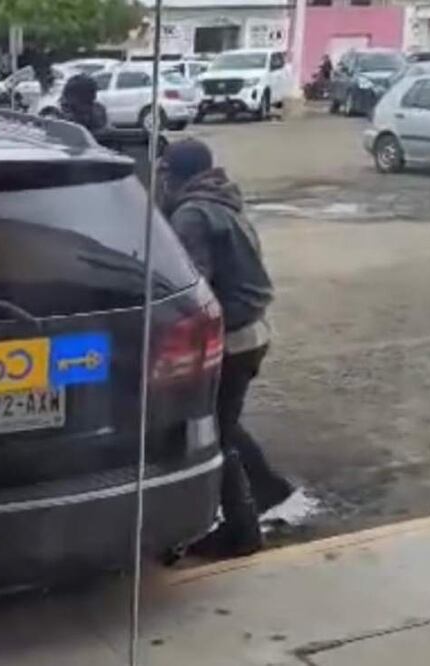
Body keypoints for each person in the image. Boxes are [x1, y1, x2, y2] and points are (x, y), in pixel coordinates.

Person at [159, 138, 296, 558]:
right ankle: (270, 488)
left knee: (213, 433)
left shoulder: (191, 215)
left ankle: (241, 530)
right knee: (225, 420)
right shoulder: (223, 201)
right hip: (253, 332)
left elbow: (190, 288)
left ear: (173, 174)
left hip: (231, 339)